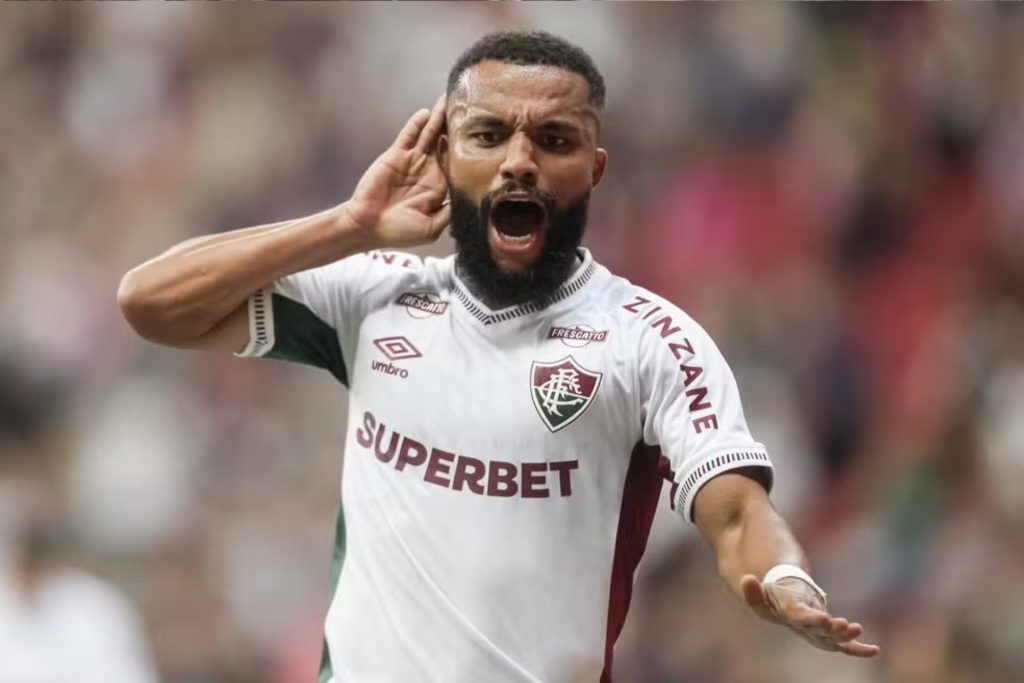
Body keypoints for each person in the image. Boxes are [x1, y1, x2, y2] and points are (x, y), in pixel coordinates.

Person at [119, 30, 879, 683]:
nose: (520, 161)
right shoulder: (375, 295)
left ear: (594, 169)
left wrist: (783, 576)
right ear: (445, 155)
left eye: (554, 140)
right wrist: (349, 225)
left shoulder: (648, 341)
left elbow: (738, 509)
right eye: (487, 136)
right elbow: (151, 302)